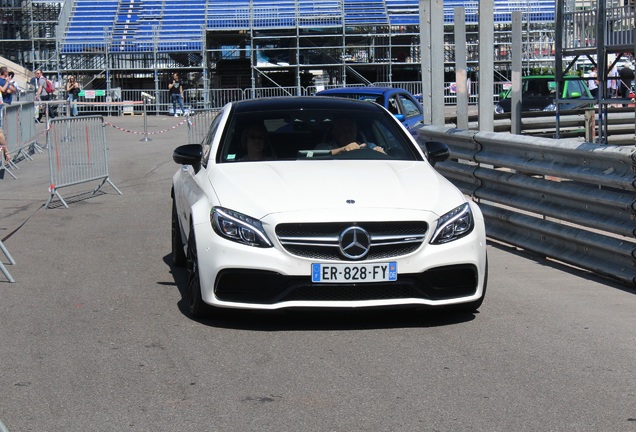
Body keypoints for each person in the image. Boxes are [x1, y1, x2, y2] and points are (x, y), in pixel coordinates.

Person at [316, 117, 385, 155]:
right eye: (342, 130)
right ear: (334, 132)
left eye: (350, 129)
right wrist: (343, 149)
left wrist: (381, 153)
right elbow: (316, 156)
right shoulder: (324, 147)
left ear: (356, 131)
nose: (347, 134)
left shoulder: (369, 146)